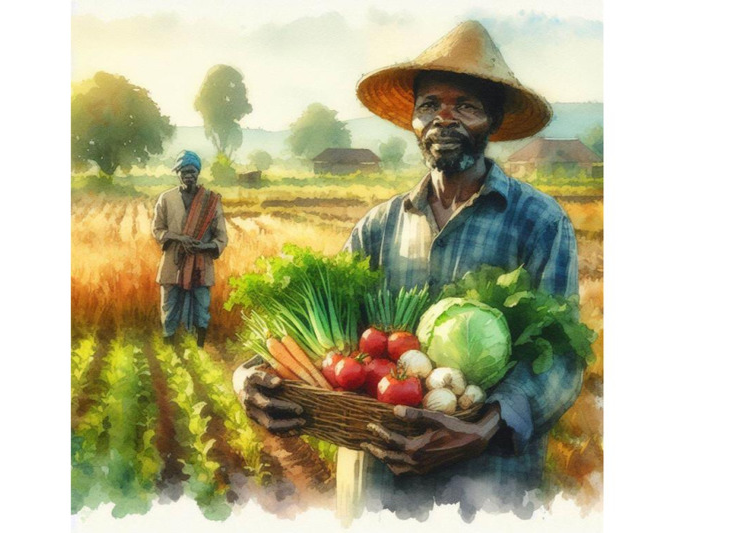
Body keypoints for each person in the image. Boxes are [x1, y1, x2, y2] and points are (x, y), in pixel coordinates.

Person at [233, 21, 583, 521]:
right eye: (429, 105)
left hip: (488, 489)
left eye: (466, 105)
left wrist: (484, 427)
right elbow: (313, 337)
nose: (444, 118)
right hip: (376, 485)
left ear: (495, 121)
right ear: (414, 122)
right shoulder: (377, 227)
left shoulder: (540, 223)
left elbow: (563, 357)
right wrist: (246, 376)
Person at [152, 150, 228, 347]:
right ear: (177, 173)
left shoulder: (211, 201)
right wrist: (180, 239)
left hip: (201, 263)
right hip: (173, 261)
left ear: (198, 173)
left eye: (192, 171)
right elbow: (157, 229)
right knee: (169, 305)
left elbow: (221, 237)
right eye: (184, 172)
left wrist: (204, 246)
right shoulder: (166, 199)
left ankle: (200, 346)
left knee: (202, 306)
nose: (189, 176)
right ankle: (169, 345)